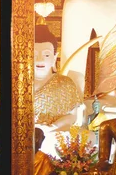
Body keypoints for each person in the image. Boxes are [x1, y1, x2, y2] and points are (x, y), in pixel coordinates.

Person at [34, 23, 82, 153]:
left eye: (46, 55)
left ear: (55, 57)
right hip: (26, 136)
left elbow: (72, 116)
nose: (40, 60)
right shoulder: (19, 84)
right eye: (34, 54)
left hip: (54, 134)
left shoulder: (65, 83)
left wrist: (52, 126)